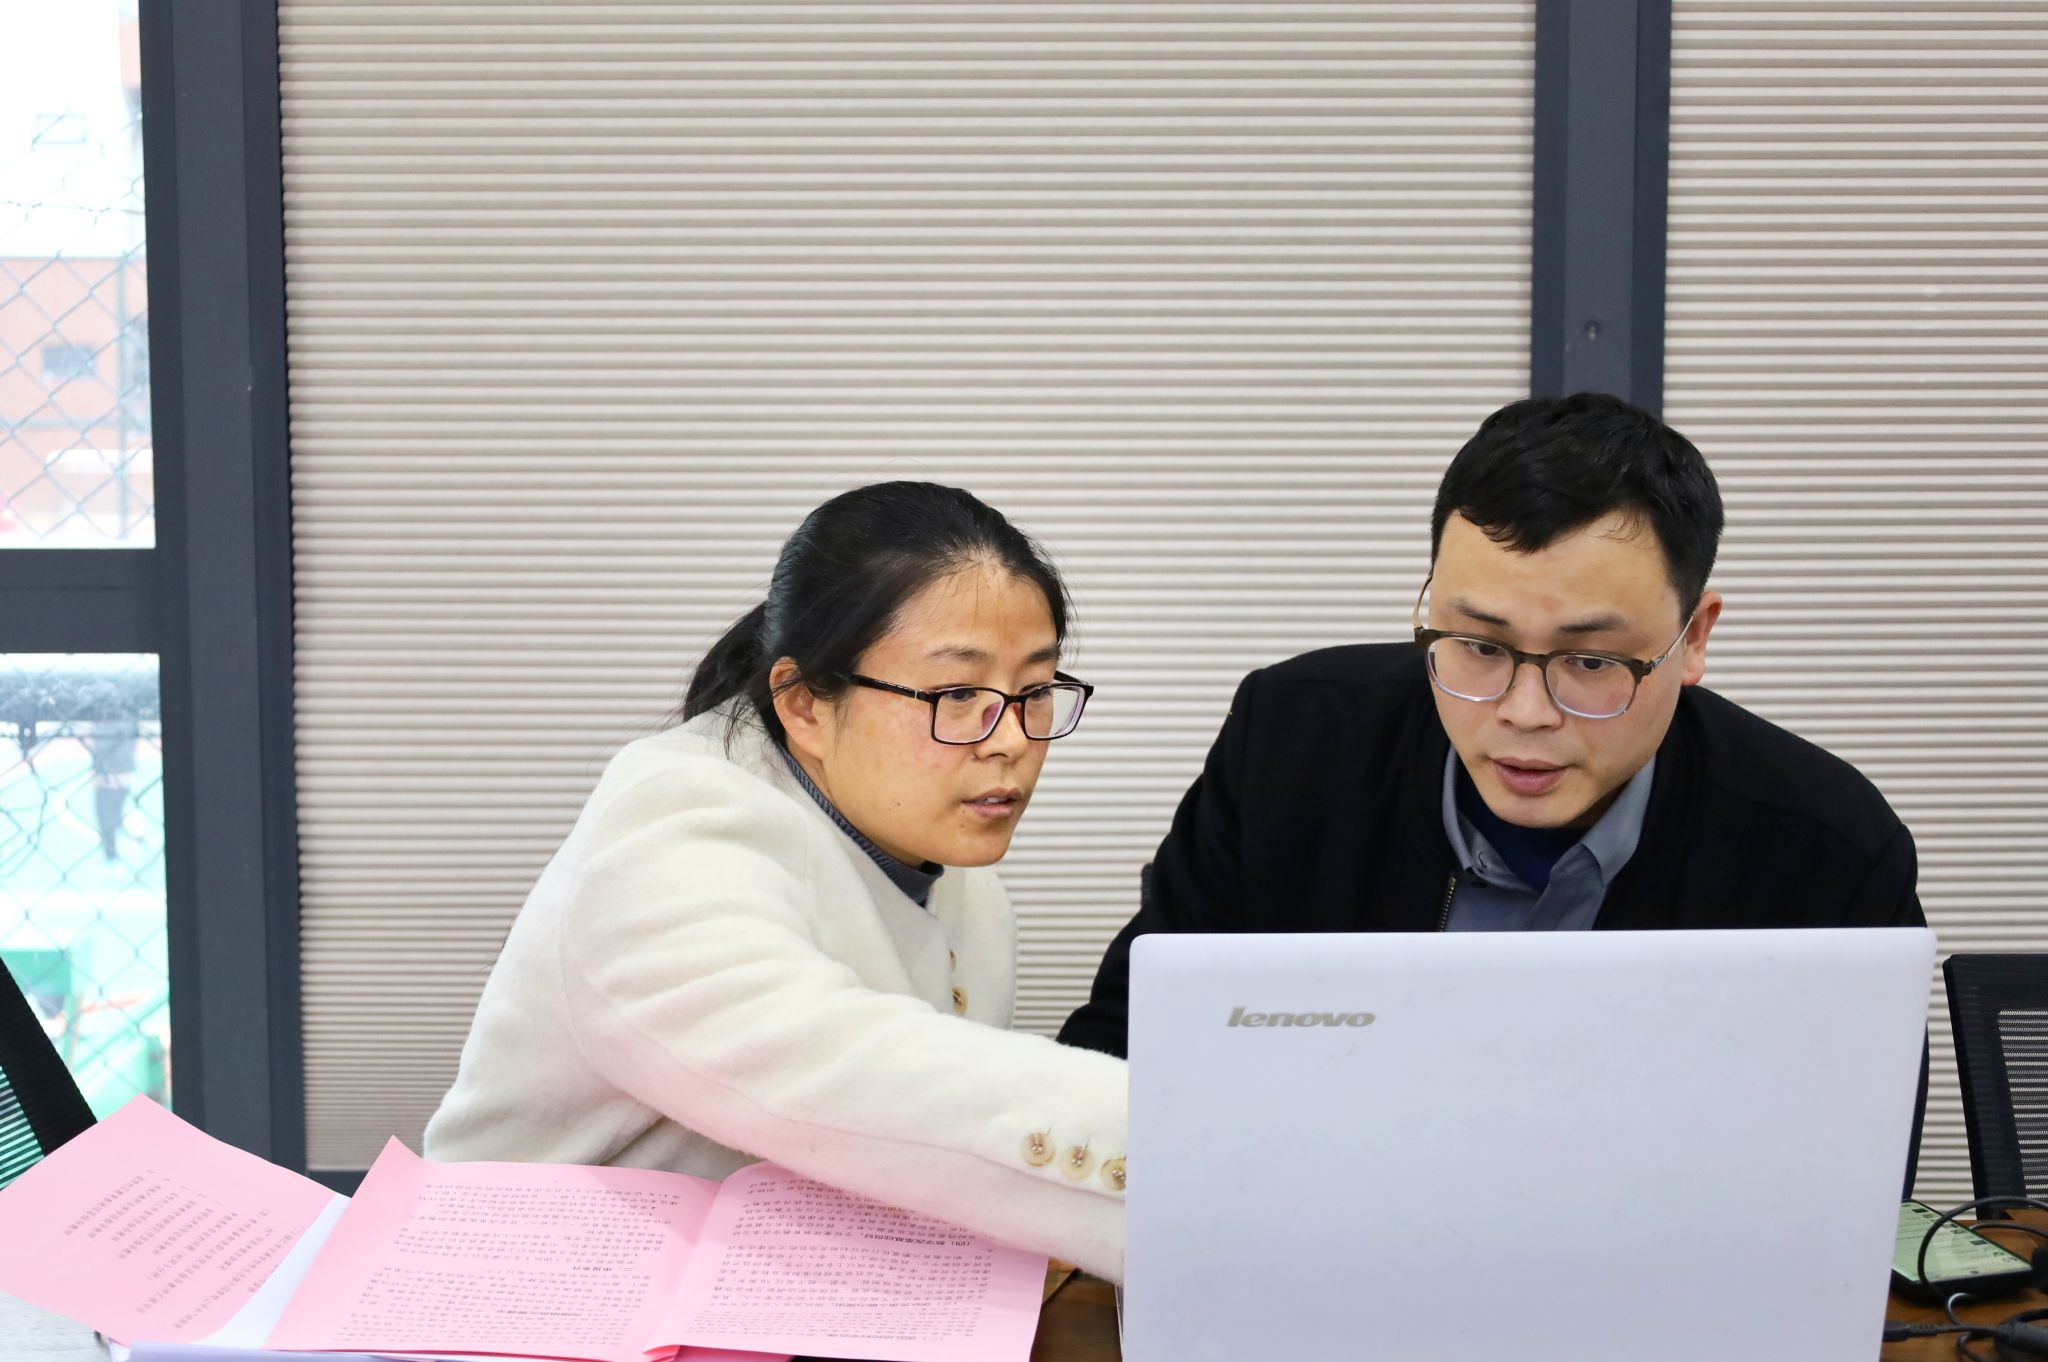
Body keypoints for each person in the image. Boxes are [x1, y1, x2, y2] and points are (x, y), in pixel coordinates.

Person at [1060, 392, 1927, 1059]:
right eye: (1478, 646)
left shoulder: (1828, 852)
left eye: (1591, 662)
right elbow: (1127, 1043)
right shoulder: (1292, 746)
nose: (1524, 712)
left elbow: (1853, 1167)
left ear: (1692, 639)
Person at [426, 481, 1128, 1280]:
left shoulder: (952, 868)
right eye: (958, 693)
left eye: (1033, 691)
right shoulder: (672, 824)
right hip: (525, 1295)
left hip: (765, 1293)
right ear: (803, 705)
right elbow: (843, 1070)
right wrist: (1181, 1140)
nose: (1010, 740)